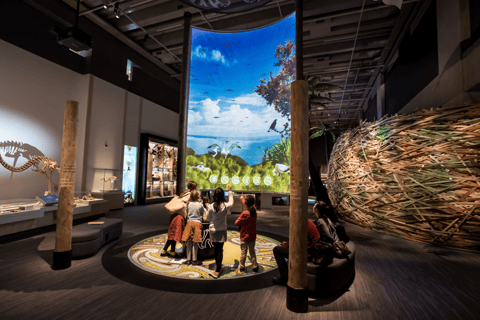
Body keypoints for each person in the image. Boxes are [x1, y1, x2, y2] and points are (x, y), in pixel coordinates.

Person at [272, 219, 321, 285]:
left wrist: (285, 244)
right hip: (313, 250)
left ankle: (284, 278)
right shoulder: (308, 221)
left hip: (308, 254)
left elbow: (297, 243)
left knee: (277, 250)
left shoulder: (302, 225)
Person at [161, 181, 197, 258]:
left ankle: (164, 250)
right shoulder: (190, 195)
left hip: (174, 214)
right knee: (174, 234)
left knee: (172, 233)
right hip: (180, 215)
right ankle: (172, 252)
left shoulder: (184, 193)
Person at [205, 185, 233, 278]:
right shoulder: (225, 205)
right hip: (222, 230)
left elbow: (208, 219)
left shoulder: (211, 206)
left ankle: (217, 270)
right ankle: (218, 267)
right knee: (220, 249)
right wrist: (229, 191)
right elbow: (231, 201)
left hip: (213, 230)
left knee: (216, 249)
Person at [235, 195, 258, 272]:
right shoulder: (254, 211)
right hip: (252, 235)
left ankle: (242, 266)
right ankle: (255, 266)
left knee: (243, 252)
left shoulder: (244, 213)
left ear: (246, 203)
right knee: (252, 252)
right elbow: (249, 205)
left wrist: (242, 199)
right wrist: (242, 199)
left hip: (244, 236)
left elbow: (236, 223)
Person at [181, 189, 205, 265]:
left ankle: (188, 259)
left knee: (189, 242)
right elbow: (202, 214)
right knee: (195, 243)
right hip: (197, 223)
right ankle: (194, 260)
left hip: (189, 223)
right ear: (198, 196)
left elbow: (186, 214)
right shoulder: (200, 205)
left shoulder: (188, 204)